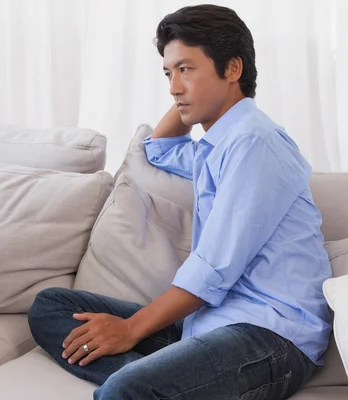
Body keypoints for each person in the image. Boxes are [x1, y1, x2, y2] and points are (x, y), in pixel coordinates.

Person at [27, 5, 331, 400]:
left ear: (233, 68)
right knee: (50, 307)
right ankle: (176, 382)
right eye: (168, 73)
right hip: (206, 324)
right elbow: (160, 149)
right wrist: (192, 92)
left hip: (269, 336)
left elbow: (213, 270)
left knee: (123, 391)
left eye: (186, 69)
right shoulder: (217, 146)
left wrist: (133, 329)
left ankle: (153, 384)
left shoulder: (257, 142)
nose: (173, 87)